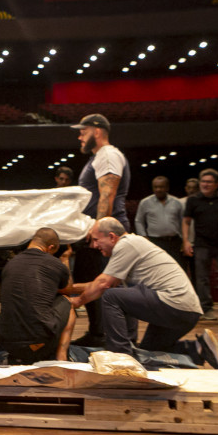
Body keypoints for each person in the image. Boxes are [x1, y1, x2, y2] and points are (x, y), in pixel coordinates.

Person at [70, 218, 218, 372]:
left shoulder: (126, 244)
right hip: (187, 312)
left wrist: (76, 302)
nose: (94, 245)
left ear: (111, 237)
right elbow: (99, 284)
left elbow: (103, 284)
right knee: (147, 353)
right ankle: (198, 348)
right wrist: (66, 289)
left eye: (96, 240)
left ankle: (120, 356)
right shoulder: (132, 245)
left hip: (174, 304)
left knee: (110, 297)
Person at [0, 228, 76, 364]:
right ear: (51, 247)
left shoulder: (10, 264)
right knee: (67, 302)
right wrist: (65, 259)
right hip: (38, 344)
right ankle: (61, 356)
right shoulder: (54, 263)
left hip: (6, 343)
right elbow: (68, 289)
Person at [70, 113, 131, 347]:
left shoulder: (108, 155)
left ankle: (114, 339)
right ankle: (98, 334)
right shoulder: (99, 157)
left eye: (83, 131)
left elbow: (108, 193)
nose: (79, 136)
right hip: (99, 230)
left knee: (106, 284)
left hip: (107, 231)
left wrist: (99, 228)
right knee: (90, 280)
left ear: (97, 131)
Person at [182, 169, 218, 322]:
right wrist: (186, 241)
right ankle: (206, 309)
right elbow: (186, 221)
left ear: (217, 184)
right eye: (203, 181)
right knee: (202, 279)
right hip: (203, 244)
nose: (205, 184)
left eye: (209, 182)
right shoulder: (193, 200)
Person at [134, 176, 188, 275]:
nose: (158, 189)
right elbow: (139, 221)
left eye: (161, 187)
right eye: (156, 187)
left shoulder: (177, 202)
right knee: (157, 270)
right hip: (155, 242)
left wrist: (184, 240)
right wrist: (143, 237)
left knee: (178, 270)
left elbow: (183, 222)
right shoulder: (145, 202)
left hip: (174, 242)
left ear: (167, 188)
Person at [179, 178, 200, 285]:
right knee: (181, 273)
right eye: (189, 188)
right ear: (186, 189)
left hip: (198, 244)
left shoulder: (202, 203)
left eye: (194, 188)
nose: (192, 190)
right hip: (182, 243)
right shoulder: (179, 203)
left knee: (198, 274)